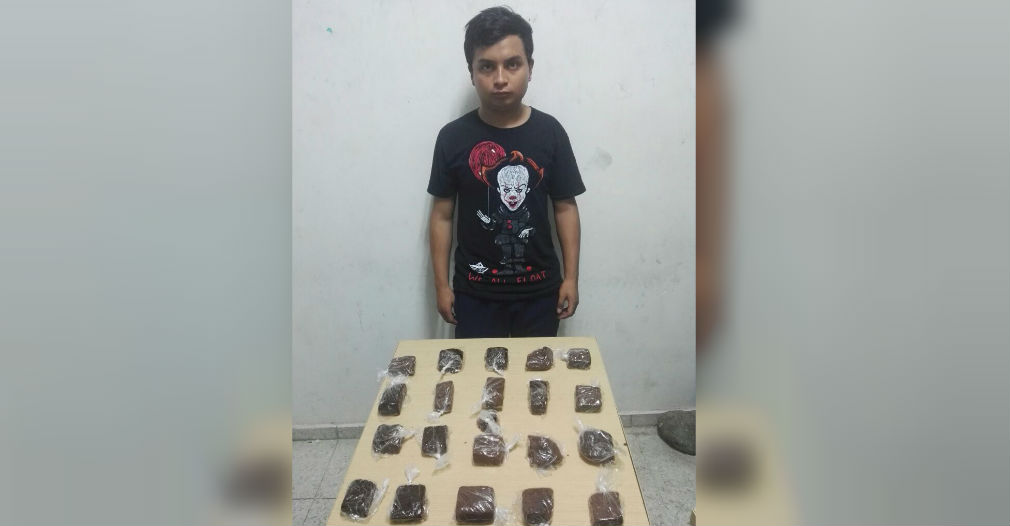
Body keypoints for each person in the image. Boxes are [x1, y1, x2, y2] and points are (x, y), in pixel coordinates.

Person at [427, 6, 585, 338]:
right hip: (474, 295)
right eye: (487, 66)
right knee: (477, 372)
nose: (500, 79)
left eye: (512, 64)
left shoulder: (550, 133)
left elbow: (565, 207)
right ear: (472, 72)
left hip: (540, 294)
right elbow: (441, 216)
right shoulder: (452, 138)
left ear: (530, 67)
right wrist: (441, 286)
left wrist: (571, 278)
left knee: (536, 372)